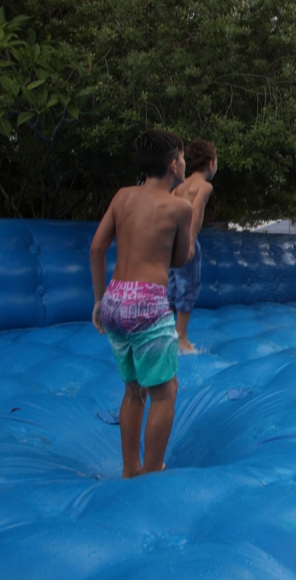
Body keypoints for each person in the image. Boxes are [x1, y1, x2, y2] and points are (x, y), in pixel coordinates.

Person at [90, 129, 192, 478]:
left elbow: (97, 248)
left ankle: (130, 468)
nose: (185, 163)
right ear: (173, 164)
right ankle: (151, 472)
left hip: (114, 300)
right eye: (182, 158)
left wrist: (99, 300)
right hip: (147, 303)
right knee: (166, 391)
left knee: (134, 389)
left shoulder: (122, 197)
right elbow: (179, 260)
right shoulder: (180, 207)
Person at [168, 138, 217, 353]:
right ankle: (181, 338)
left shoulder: (177, 188)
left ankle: (167, 333)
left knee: (172, 287)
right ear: (211, 163)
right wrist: (189, 241)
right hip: (185, 240)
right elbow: (195, 212)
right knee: (189, 287)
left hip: (170, 241)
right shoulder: (204, 186)